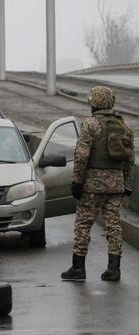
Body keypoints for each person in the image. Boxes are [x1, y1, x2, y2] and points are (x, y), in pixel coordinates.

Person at [61, 86, 134, 282]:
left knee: (83, 224)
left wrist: (77, 181)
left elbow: (82, 155)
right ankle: (114, 268)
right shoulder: (124, 126)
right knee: (114, 225)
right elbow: (129, 159)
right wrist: (125, 181)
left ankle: (78, 268)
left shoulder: (90, 125)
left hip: (92, 186)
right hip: (116, 185)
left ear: (95, 103)